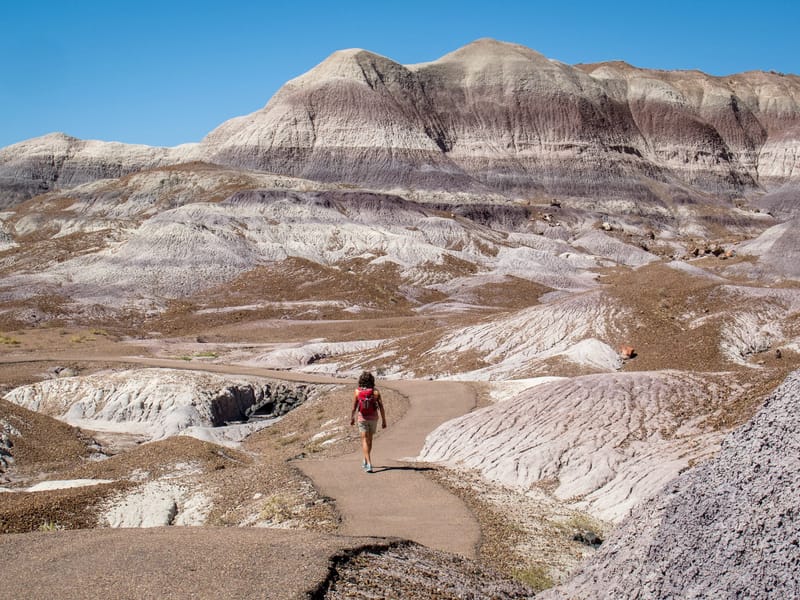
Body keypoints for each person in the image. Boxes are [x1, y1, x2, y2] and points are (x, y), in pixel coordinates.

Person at [350, 371, 386, 473]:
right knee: (370, 440)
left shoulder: (357, 392)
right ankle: (366, 460)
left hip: (362, 418)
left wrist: (352, 418)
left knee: (364, 440)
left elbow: (354, 407)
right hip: (373, 418)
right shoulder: (375, 392)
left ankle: (368, 463)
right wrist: (384, 420)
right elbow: (381, 407)